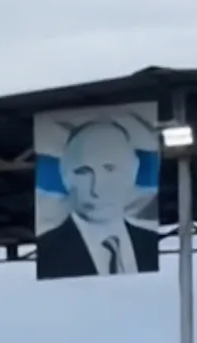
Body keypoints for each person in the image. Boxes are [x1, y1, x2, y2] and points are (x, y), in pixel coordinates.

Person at [35, 119, 161, 279]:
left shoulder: (150, 243)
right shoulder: (47, 251)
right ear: (64, 175)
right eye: (83, 171)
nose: (96, 190)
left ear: (134, 170)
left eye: (110, 169)